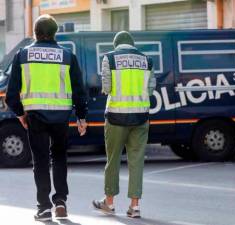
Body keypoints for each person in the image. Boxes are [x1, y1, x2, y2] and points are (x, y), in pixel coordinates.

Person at [5, 14, 88, 221]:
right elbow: (79, 90)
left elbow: (11, 94)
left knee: (40, 162)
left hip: (35, 117)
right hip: (61, 117)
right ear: (54, 34)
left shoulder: (23, 55)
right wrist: (81, 116)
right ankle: (60, 202)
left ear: (35, 33)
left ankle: (43, 208)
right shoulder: (68, 56)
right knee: (59, 158)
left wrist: (20, 113)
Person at [92, 31, 156, 218]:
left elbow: (106, 87)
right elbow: (151, 88)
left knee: (113, 160)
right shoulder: (147, 60)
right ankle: (134, 206)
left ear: (116, 44)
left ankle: (109, 202)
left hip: (116, 118)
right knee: (136, 161)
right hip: (141, 117)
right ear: (132, 44)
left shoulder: (109, 59)